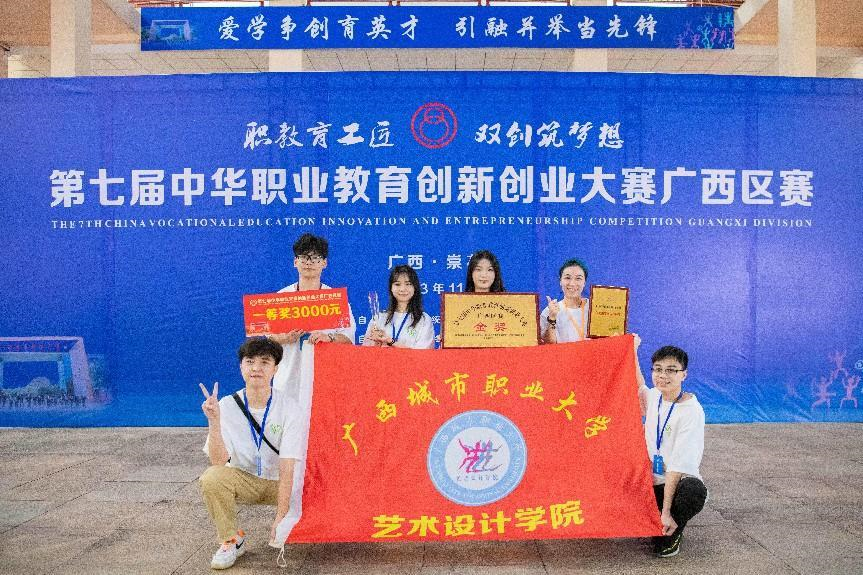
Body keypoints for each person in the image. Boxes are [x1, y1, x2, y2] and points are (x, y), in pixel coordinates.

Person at [198, 337, 303, 570]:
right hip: (245, 479)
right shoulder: (226, 405)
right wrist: (214, 422)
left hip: (280, 482)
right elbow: (218, 462)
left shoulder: (289, 406)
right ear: (241, 367)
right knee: (212, 477)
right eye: (250, 361)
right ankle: (231, 540)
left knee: (315, 487)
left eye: (265, 362)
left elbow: (288, 465)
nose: (256, 368)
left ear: (275, 369)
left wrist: (281, 517)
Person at [635, 344, 708, 558]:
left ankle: (674, 525)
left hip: (675, 483)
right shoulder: (655, 397)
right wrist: (631, 350)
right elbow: (640, 385)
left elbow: (677, 467)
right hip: (651, 482)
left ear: (683, 374)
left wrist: (666, 512)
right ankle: (654, 519)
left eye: (671, 370)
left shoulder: (691, 411)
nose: (663, 376)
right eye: (658, 369)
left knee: (693, 491)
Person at [270, 233, 356, 396]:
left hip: (326, 381)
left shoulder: (335, 299)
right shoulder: (281, 297)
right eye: (304, 257)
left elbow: (349, 339)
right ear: (295, 261)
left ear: (324, 263)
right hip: (288, 381)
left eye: (315, 258)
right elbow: (269, 337)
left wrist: (329, 337)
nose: (309, 262)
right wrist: (284, 338)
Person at [364, 265, 435, 349]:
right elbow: (366, 352)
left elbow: (423, 354)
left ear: (415, 287)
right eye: (397, 284)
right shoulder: (379, 318)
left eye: (408, 284)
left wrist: (390, 341)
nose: (402, 289)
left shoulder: (424, 320)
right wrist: (376, 343)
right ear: (391, 288)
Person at [540, 258, 590, 344]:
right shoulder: (550, 311)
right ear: (560, 281)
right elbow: (548, 344)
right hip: (564, 353)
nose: (572, 283)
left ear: (584, 282)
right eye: (567, 278)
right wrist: (552, 318)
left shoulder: (594, 309)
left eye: (578, 278)